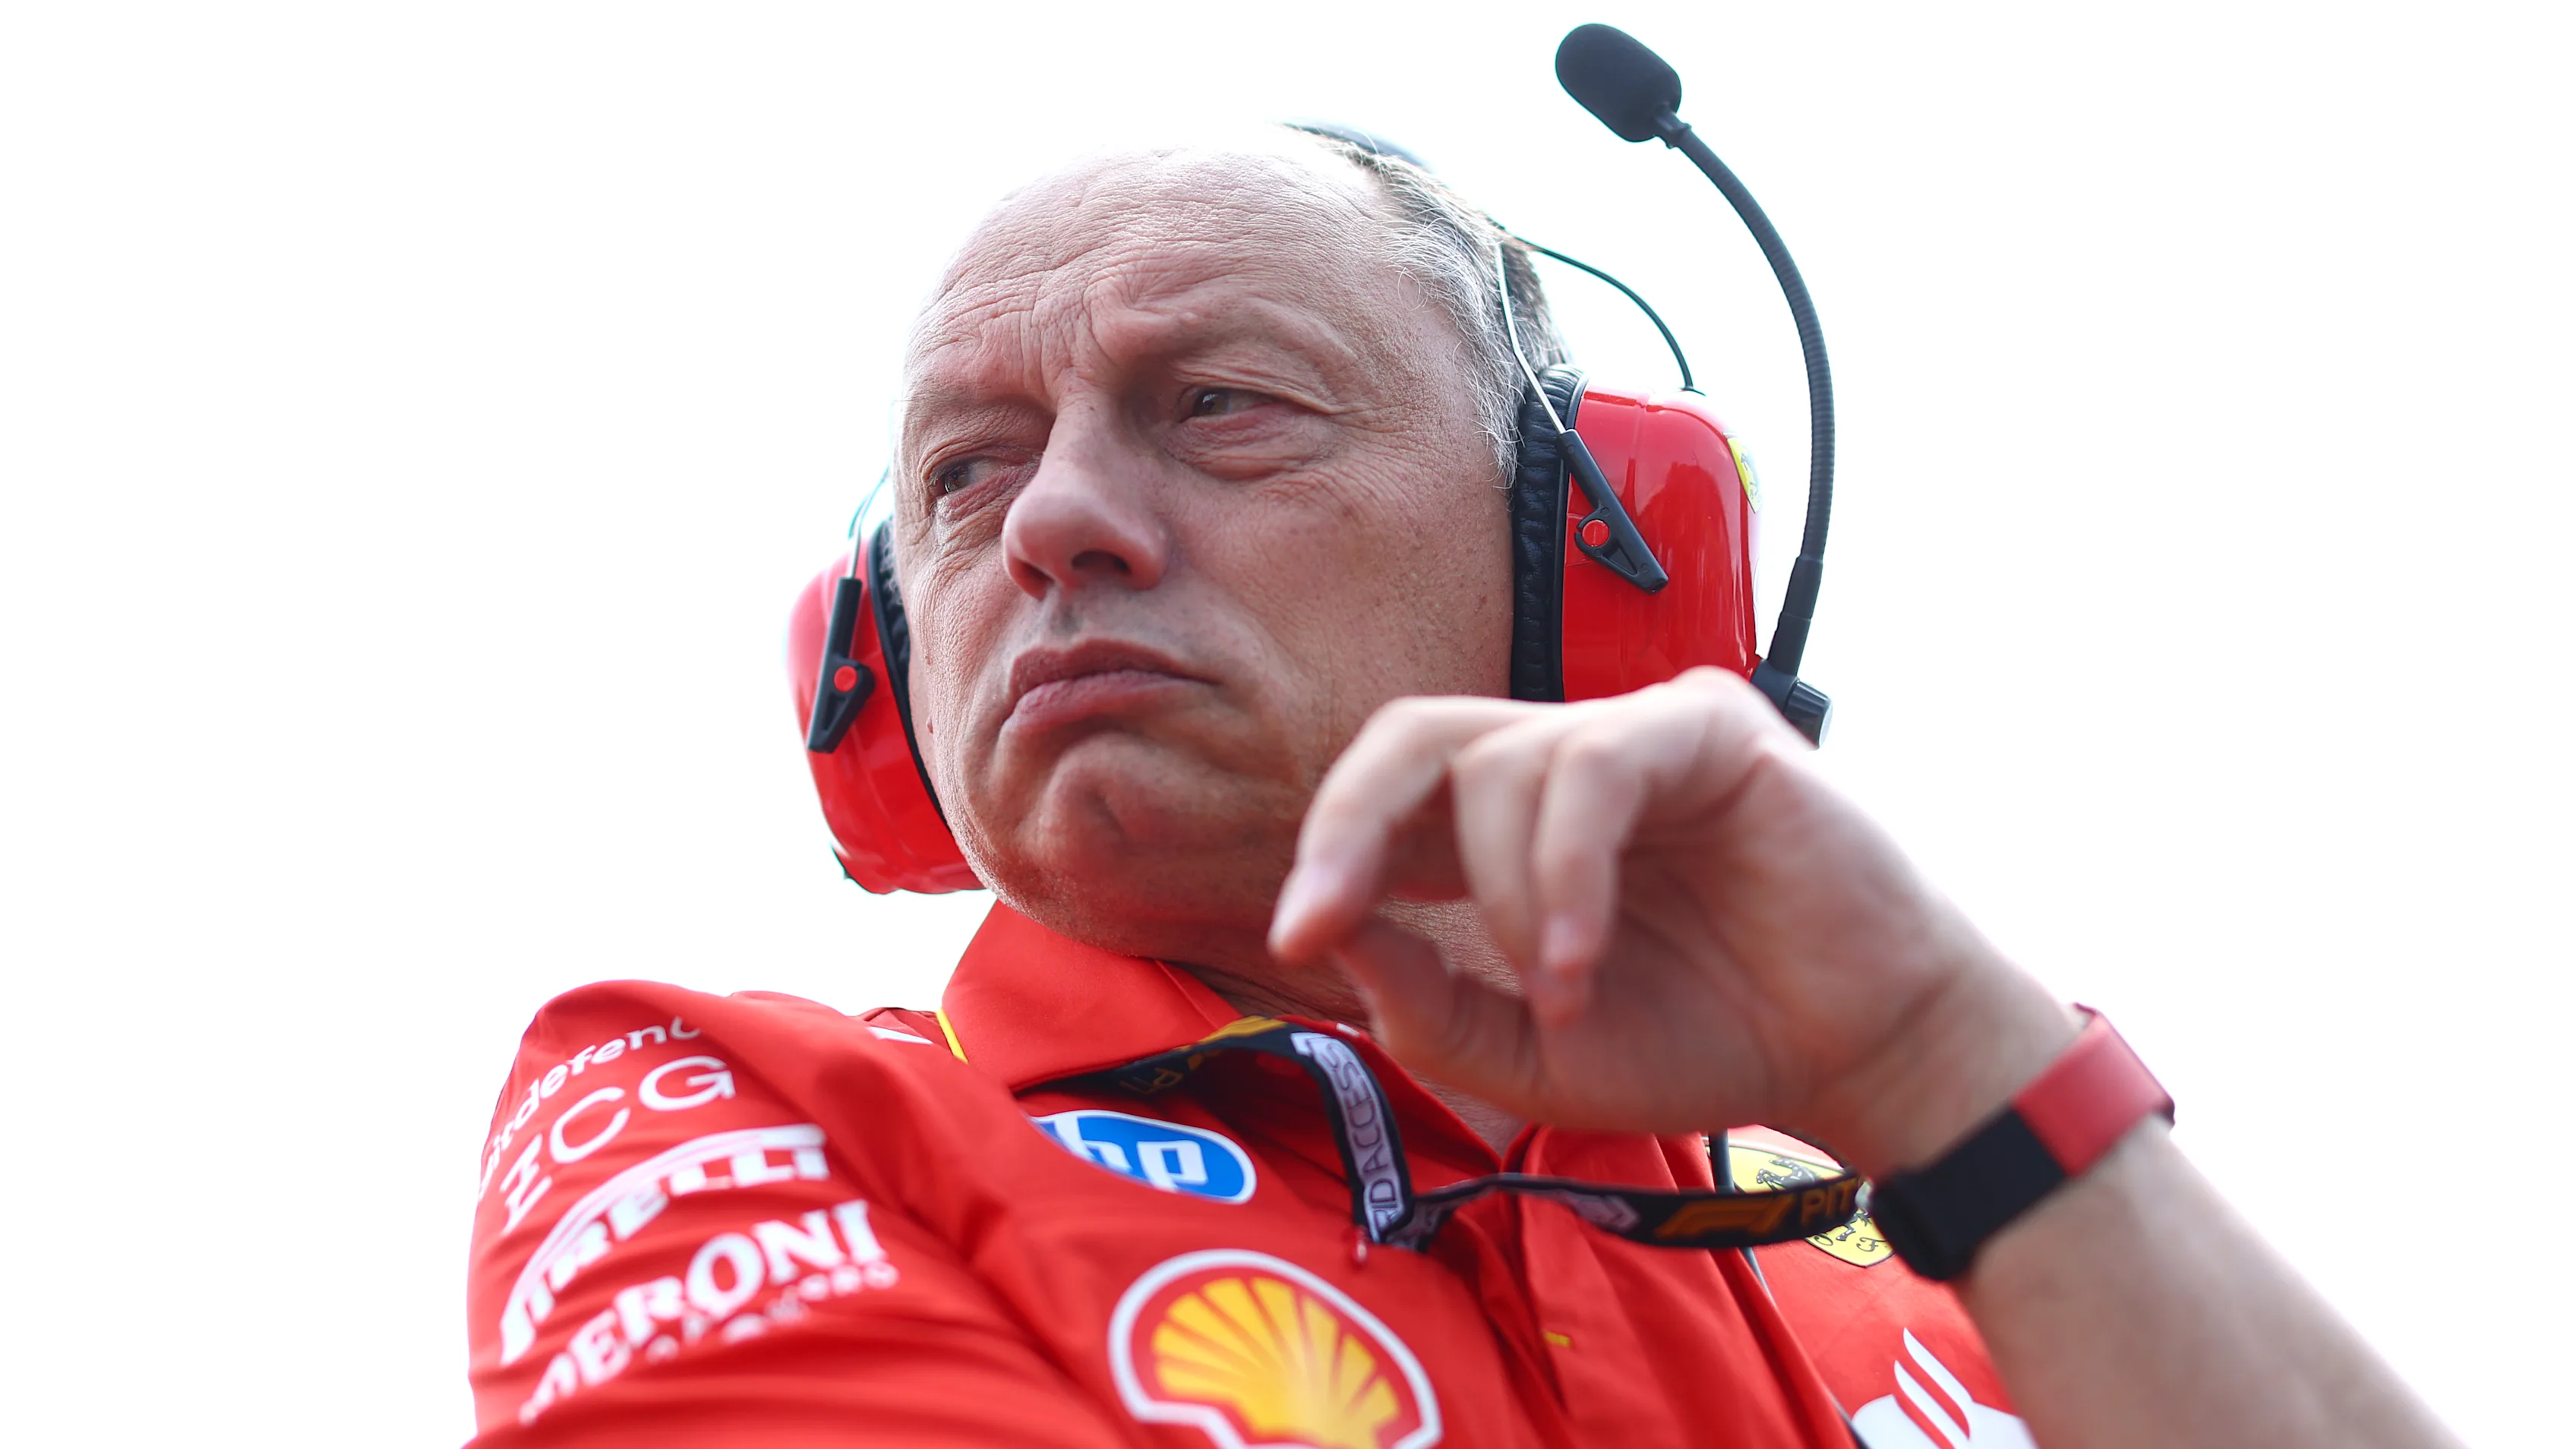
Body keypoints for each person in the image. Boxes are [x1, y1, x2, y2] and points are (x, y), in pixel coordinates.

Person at [463, 128, 2458, 1447]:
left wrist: (1954, 1057)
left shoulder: (1974, 1212)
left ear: (1587, 558)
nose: (1054, 517)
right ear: (880, 655)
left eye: (1220, 403)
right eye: (965, 470)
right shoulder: (727, 1102)